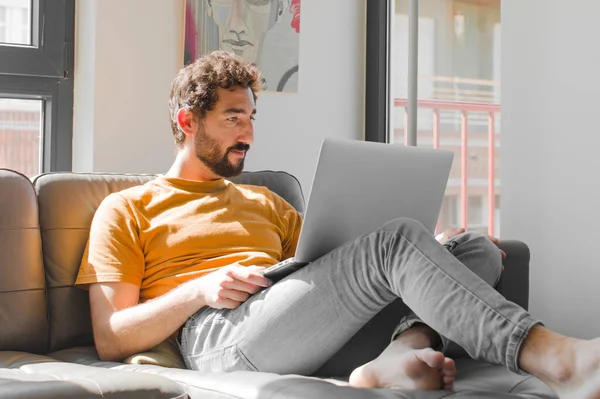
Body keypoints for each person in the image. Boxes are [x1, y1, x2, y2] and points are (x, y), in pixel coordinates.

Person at [76, 51, 600, 398]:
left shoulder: (266, 201)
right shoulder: (127, 209)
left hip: (294, 321)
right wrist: (200, 288)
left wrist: (431, 253)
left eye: (252, 118)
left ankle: (396, 356)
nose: (249, 134)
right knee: (398, 242)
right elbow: (111, 337)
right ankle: (554, 359)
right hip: (218, 335)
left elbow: (334, 273)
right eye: (233, 118)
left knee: (474, 246)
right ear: (188, 122)